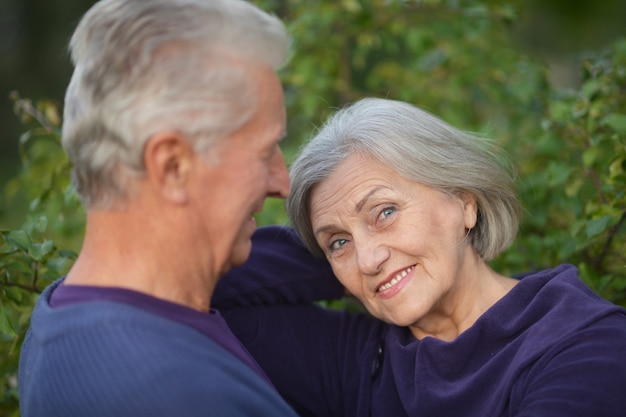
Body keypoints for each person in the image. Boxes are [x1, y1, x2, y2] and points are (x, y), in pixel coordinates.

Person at [214, 98, 626, 417]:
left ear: (465, 203)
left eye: (385, 213)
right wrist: (337, 264)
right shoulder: (354, 360)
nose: (368, 258)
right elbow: (202, 284)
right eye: (338, 242)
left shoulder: (583, 341)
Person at [18, 0, 299, 416]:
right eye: (262, 153)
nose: (282, 182)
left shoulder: (67, 317)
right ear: (171, 167)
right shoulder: (169, 393)